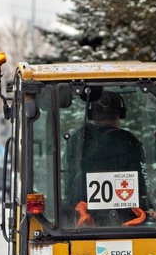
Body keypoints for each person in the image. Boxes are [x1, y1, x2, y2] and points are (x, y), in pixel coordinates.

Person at [64, 90, 151, 227]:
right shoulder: (131, 142)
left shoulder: (77, 141)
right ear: (120, 114)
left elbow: (69, 179)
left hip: (83, 218)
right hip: (128, 218)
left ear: (92, 115)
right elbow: (141, 183)